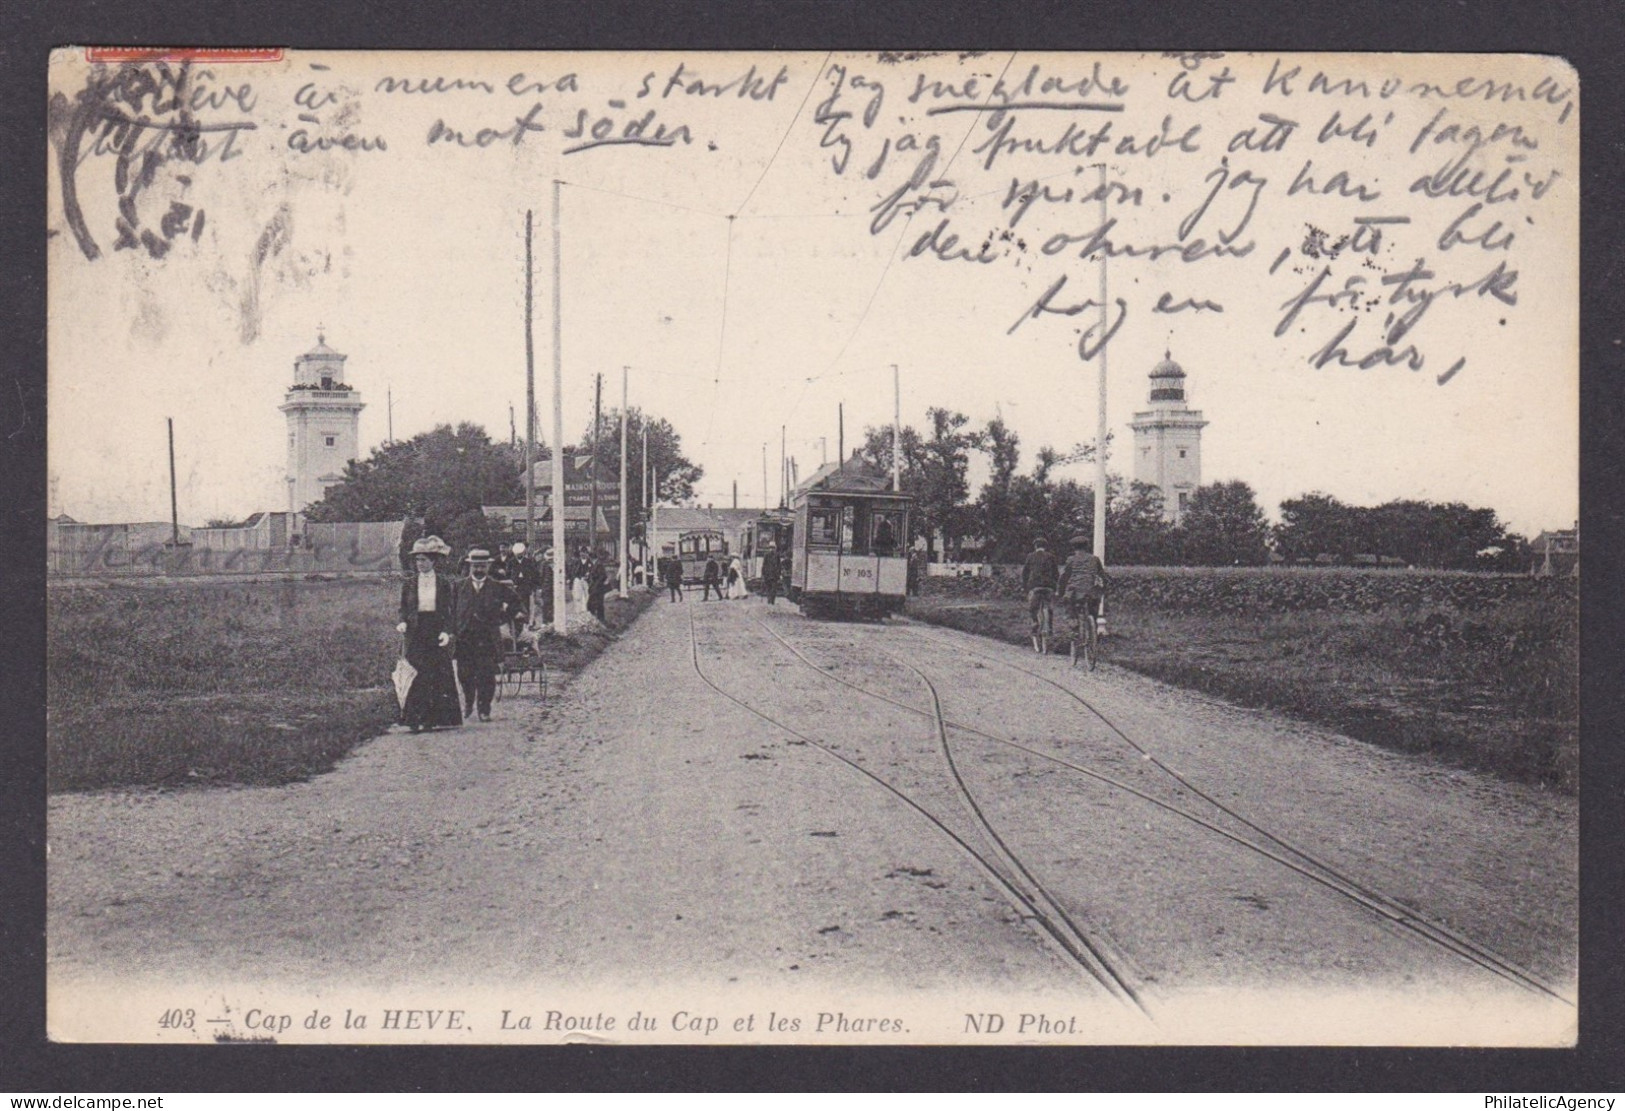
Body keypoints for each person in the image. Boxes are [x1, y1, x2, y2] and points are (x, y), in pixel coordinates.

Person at [396, 536, 463, 732]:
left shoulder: (443, 583)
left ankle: (432, 719)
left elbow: (450, 610)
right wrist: (402, 622)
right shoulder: (409, 583)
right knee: (415, 672)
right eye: (417, 560)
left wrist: (447, 631)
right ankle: (413, 719)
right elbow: (403, 607)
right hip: (416, 631)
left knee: (435, 673)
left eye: (424, 560)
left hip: (435, 629)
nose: (420, 564)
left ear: (433, 561)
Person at [453, 548, 518, 722]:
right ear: (470, 566)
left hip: (487, 638)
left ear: (488, 566)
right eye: (475, 566)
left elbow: (516, 604)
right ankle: (468, 701)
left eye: (482, 566)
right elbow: (449, 610)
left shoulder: (497, 587)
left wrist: (503, 618)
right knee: (464, 674)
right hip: (465, 638)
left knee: (486, 675)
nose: (479, 570)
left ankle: (484, 709)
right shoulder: (459, 587)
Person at [1057, 533, 1110, 658]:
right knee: (1093, 611)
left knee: (1070, 608)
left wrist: (1060, 592)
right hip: (1091, 592)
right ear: (1086, 546)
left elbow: (1064, 577)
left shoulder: (1071, 560)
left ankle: (1074, 628)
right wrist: (1105, 588)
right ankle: (1093, 634)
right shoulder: (1095, 559)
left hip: (1075, 592)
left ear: (1074, 548)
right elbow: (1102, 575)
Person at [1021, 537, 1061, 648]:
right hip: (1048, 586)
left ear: (1035, 546)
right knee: (1049, 607)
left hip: (1035, 586)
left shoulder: (1030, 556)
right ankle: (1050, 628)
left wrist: (1025, 588)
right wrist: (1055, 587)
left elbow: (1025, 573)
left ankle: (1035, 623)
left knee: (1033, 608)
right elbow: (1056, 574)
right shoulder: (1051, 557)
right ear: (1045, 547)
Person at [586, 551, 609, 624]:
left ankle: (599, 619)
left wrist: (595, 585)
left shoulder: (598, 565)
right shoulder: (594, 564)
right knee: (595, 603)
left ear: (591, 557)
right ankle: (597, 619)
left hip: (598, 588)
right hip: (595, 587)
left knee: (595, 604)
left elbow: (602, 576)